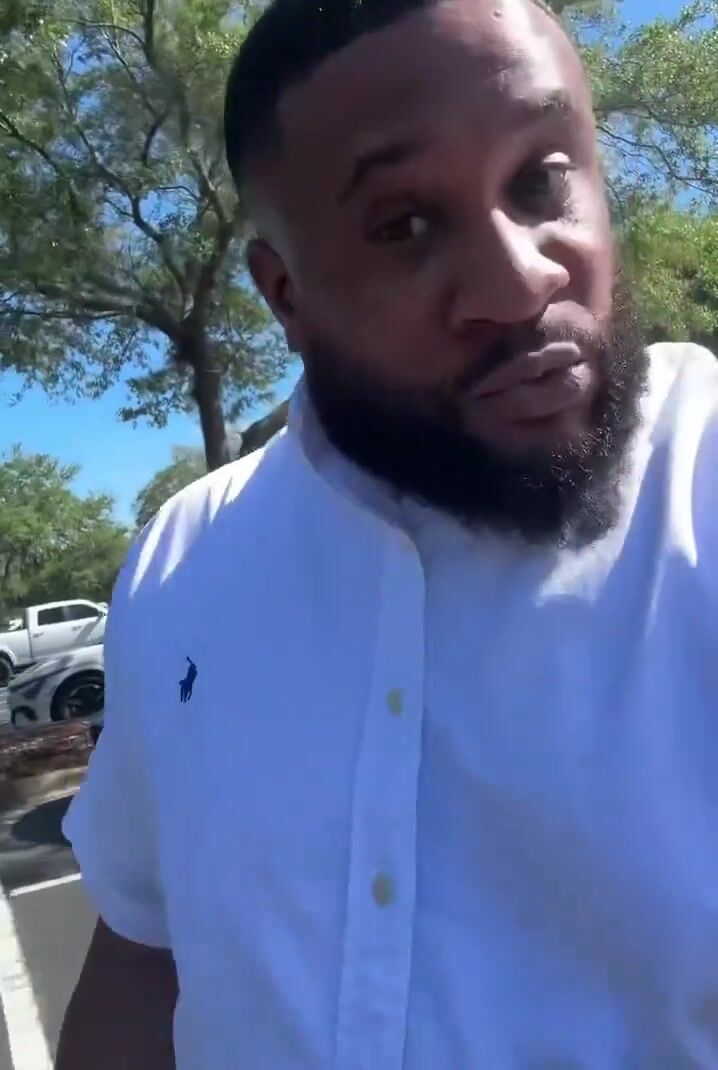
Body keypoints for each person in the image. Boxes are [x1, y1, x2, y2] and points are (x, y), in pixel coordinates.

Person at [57, 0, 718, 1067]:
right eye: (404, 224)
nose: (520, 283)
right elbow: (145, 951)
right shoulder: (182, 562)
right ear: (286, 296)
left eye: (541, 179)